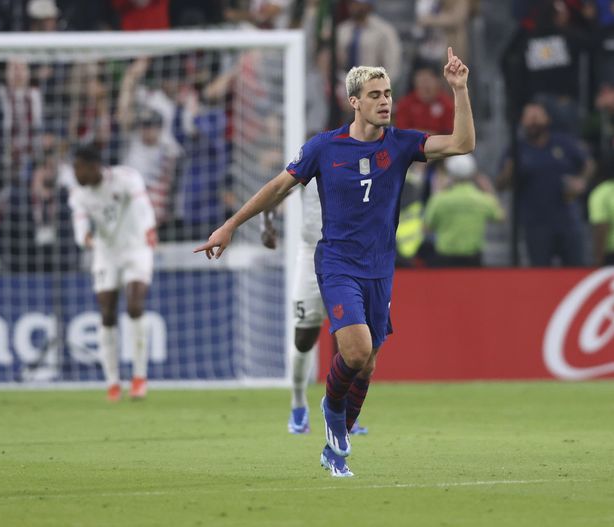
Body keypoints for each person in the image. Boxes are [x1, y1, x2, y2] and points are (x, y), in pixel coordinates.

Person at [195, 48, 474, 477]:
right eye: (375, 94)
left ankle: (334, 446)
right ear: (355, 102)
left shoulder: (401, 144)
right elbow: (276, 187)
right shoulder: (324, 148)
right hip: (336, 262)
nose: (385, 101)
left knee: (369, 361)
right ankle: (329, 408)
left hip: (380, 267)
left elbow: (462, 143)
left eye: (387, 93)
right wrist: (230, 226)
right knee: (356, 349)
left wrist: (459, 89)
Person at [262, 184, 369, 437]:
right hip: (312, 254)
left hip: (349, 254)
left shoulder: (361, 152)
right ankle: (298, 403)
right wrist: (266, 223)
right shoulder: (313, 153)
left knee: (350, 338)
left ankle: (344, 414)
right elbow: (277, 190)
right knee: (305, 335)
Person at [68, 145, 158, 402]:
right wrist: (84, 237)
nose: (75, 173)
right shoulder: (78, 194)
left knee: (134, 304)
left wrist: (149, 228)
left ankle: (139, 377)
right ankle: (112, 382)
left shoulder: (126, 178)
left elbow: (142, 205)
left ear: (93, 166)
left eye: (78, 167)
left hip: (136, 248)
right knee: (107, 312)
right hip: (106, 253)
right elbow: (80, 222)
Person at [496, 102, 594, 266]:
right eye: (529, 118)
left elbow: (589, 164)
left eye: (537, 117)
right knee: (540, 272)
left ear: (547, 120)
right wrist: (508, 171)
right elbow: (500, 185)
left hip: (568, 220)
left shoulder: (563, 143)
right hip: (536, 224)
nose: (533, 122)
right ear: (522, 121)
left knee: (575, 270)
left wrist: (581, 180)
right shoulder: (516, 148)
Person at [423, 154, 504, 267]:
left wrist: (438, 192)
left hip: (445, 258)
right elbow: (500, 216)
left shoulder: (440, 200)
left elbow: (426, 227)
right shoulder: (481, 199)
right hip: (473, 258)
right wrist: (488, 189)